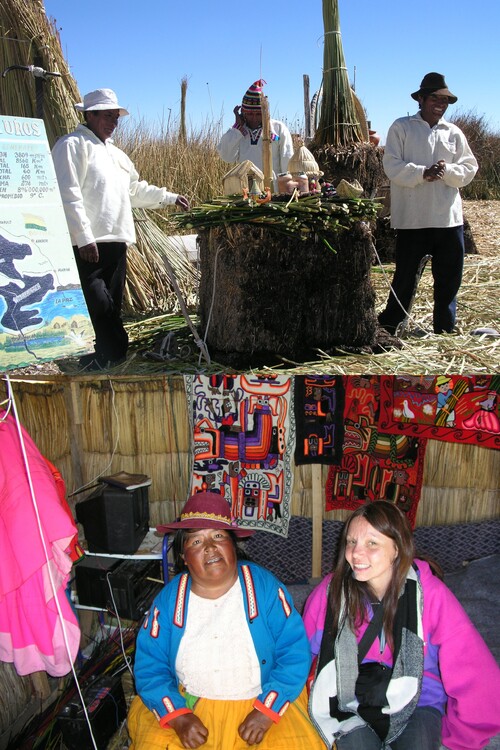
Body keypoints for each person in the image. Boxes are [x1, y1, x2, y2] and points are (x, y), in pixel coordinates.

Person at [128, 491, 323, 749]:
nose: (209, 547)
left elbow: (294, 651)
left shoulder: (264, 588)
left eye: (218, 536)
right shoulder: (168, 602)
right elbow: (150, 665)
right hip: (191, 705)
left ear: (233, 545)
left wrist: (267, 711)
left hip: (261, 700)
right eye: (196, 541)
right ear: (184, 557)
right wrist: (179, 717)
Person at [303, 500, 500, 750]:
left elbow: (475, 670)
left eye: (372, 543)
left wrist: (463, 738)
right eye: (351, 542)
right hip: (348, 697)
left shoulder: (430, 596)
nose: (355, 553)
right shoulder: (331, 594)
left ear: (397, 548)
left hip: (418, 698)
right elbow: (300, 652)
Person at [52, 88, 189, 370]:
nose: (113, 123)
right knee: (98, 303)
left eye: (116, 117)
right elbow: (69, 193)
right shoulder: (72, 145)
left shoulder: (117, 155)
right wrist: (83, 237)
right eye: (107, 116)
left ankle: (105, 355)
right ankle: (113, 351)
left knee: (113, 302)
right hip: (89, 242)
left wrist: (170, 198)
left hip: (117, 239)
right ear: (89, 115)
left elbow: (135, 191)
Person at [378, 72, 478, 335]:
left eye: (444, 99)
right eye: (434, 97)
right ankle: (391, 327)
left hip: (447, 219)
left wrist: (447, 171)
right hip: (413, 219)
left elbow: (469, 168)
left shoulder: (453, 133)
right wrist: (422, 173)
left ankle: (444, 330)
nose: (440, 103)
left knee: (448, 280)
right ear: (420, 99)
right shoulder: (402, 127)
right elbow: (391, 165)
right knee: (405, 278)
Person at [217, 79, 293, 181]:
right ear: (243, 112)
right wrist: (237, 129)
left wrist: (286, 188)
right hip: (246, 190)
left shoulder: (278, 128)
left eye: (258, 114)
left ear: (265, 112)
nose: (254, 118)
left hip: (273, 190)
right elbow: (227, 157)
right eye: (250, 114)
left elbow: (287, 159)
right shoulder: (238, 132)